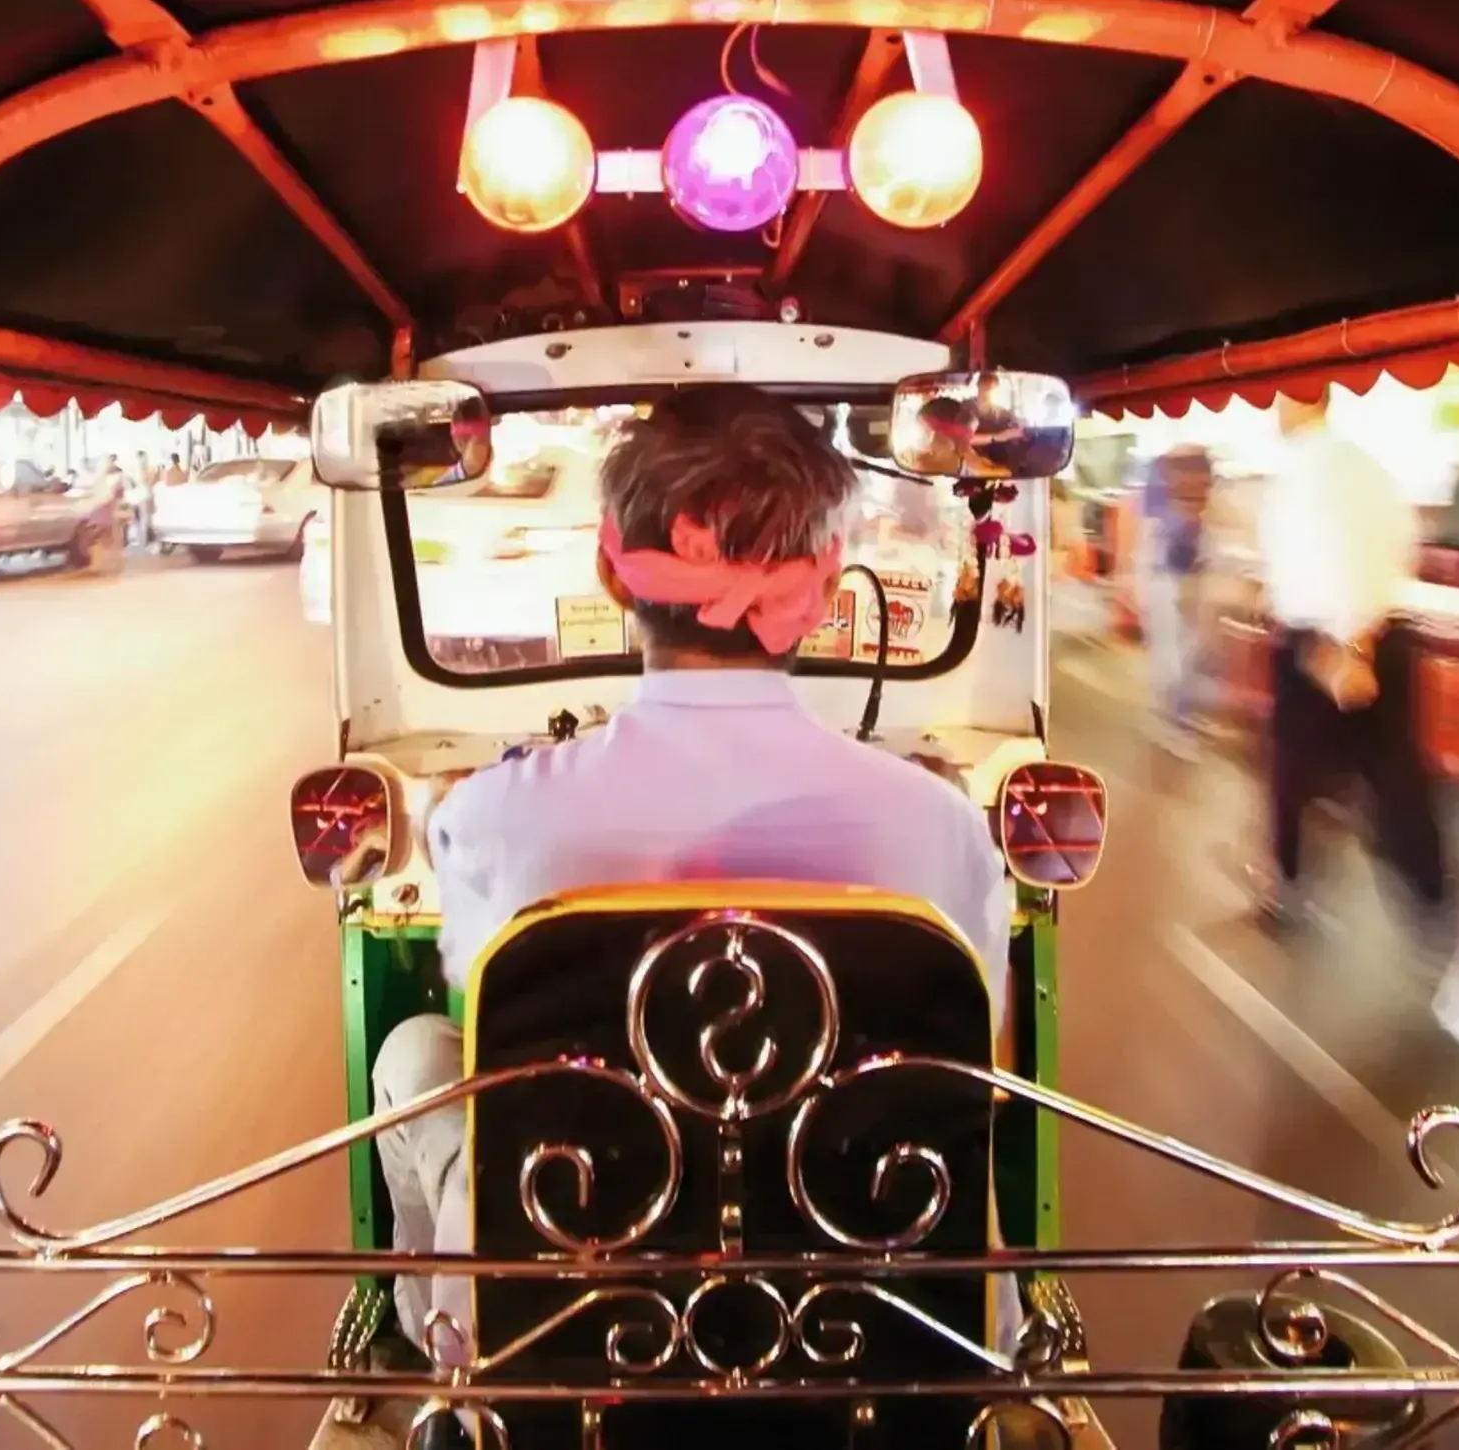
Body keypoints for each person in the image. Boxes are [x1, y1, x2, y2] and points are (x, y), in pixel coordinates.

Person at [370, 387, 1013, 1343]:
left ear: (609, 572)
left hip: (562, 1336)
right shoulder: (945, 829)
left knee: (417, 1056)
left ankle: (437, 1344)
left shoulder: (489, 820)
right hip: (891, 1335)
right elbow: (977, 1064)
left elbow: (486, 1032)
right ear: (826, 592)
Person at [1253, 396, 1446, 936]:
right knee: (1394, 774)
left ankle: (1290, 885)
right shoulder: (1367, 467)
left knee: (1292, 770)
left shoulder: (1302, 475)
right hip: (1382, 632)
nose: (1275, 412)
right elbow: (1402, 545)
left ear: (1298, 403)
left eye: (1280, 402)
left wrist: (1343, 651)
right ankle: (1432, 894)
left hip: (1326, 641)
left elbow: (1316, 564)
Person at [1137, 445, 1214, 737]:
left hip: (1188, 572)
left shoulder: (1173, 477)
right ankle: (1170, 715)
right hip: (1166, 574)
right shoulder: (1160, 475)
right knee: (1172, 650)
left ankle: (1180, 712)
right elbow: (1151, 529)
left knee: (1190, 648)